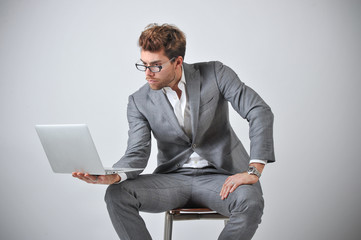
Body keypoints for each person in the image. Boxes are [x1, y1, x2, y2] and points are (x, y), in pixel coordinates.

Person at [73, 23, 275, 240]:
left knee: (250, 201)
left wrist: (254, 170)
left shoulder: (216, 73)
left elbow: (258, 111)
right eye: (144, 65)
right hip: (172, 181)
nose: (147, 74)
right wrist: (114, 176)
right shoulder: (139, 101)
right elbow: (137, 151)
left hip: (221, 178)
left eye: (156, 66)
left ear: (178, 61)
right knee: (117, 194)